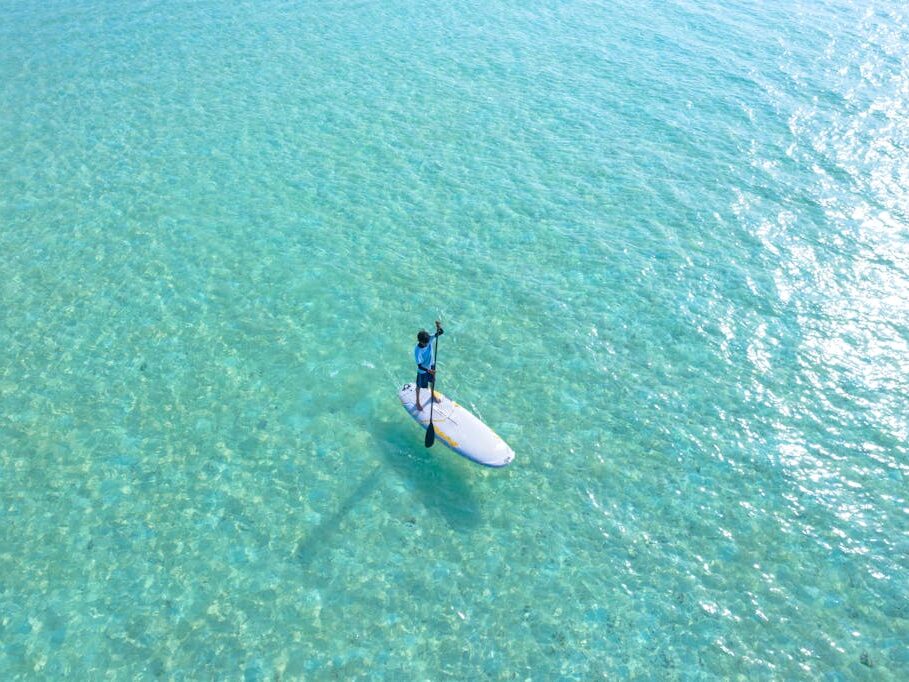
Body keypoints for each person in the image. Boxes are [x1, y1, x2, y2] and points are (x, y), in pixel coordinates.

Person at [414, 320, 444, 411]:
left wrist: (439, 327)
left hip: (431, 365)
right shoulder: (417, 351)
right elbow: (419, 366)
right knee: (419, 386)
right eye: (425, 343)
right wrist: (428, 370)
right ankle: (417, 402)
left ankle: (432, 394)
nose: (427, 344)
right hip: (423, 370)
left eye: (428, 342)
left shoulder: (428, 338)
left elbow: (441, 332)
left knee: (432, 381)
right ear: (420, 341)